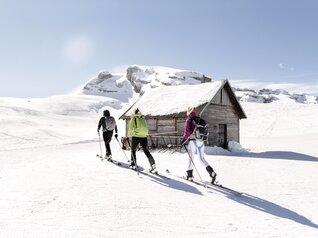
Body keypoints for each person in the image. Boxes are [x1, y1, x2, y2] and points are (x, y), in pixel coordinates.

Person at [182, 107, 217, 184]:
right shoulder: (199, 119)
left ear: (188, 112)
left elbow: (187, 132)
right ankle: (211, 172)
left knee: (191, 157)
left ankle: (189, 175)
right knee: (201, 159)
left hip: (193, 141)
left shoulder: (189, 120)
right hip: (200, 141)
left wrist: (184, 139)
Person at [128, 108, 156, 172]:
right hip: (144, 137)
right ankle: (153, 164)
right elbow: (146, 127)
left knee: (133, 150)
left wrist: (129, 136)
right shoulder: (143, 118)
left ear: (134, 112)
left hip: (136, 136)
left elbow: (130, 128)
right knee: (146, 150)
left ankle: (133, 164)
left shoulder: (133, 118)